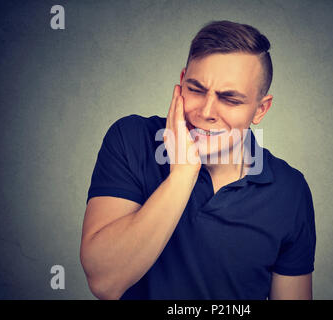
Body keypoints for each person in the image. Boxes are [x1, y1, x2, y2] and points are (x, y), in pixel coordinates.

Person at [80, 20, 316, 300]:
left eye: (230, 99)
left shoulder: (290, 190)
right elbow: (104, 282)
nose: (206, 111)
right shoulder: (130, 139)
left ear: (260, 109)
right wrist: (183, 174)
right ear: (181, 84)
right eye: (196, 89)